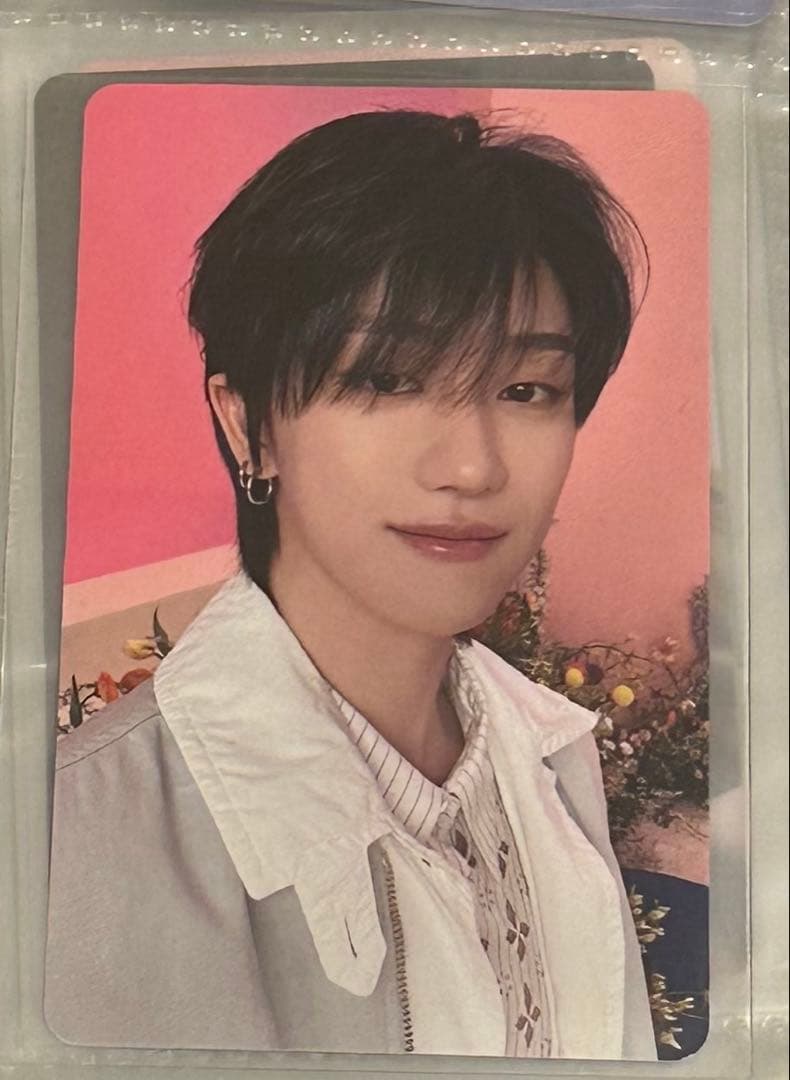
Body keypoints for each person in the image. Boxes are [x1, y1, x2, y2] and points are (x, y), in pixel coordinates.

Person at [45, 109, 656, 1059]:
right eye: (388, 380)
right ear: (249, 426)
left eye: (526, 390)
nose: (473, 466)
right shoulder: (72, 847)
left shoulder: (549, 751)